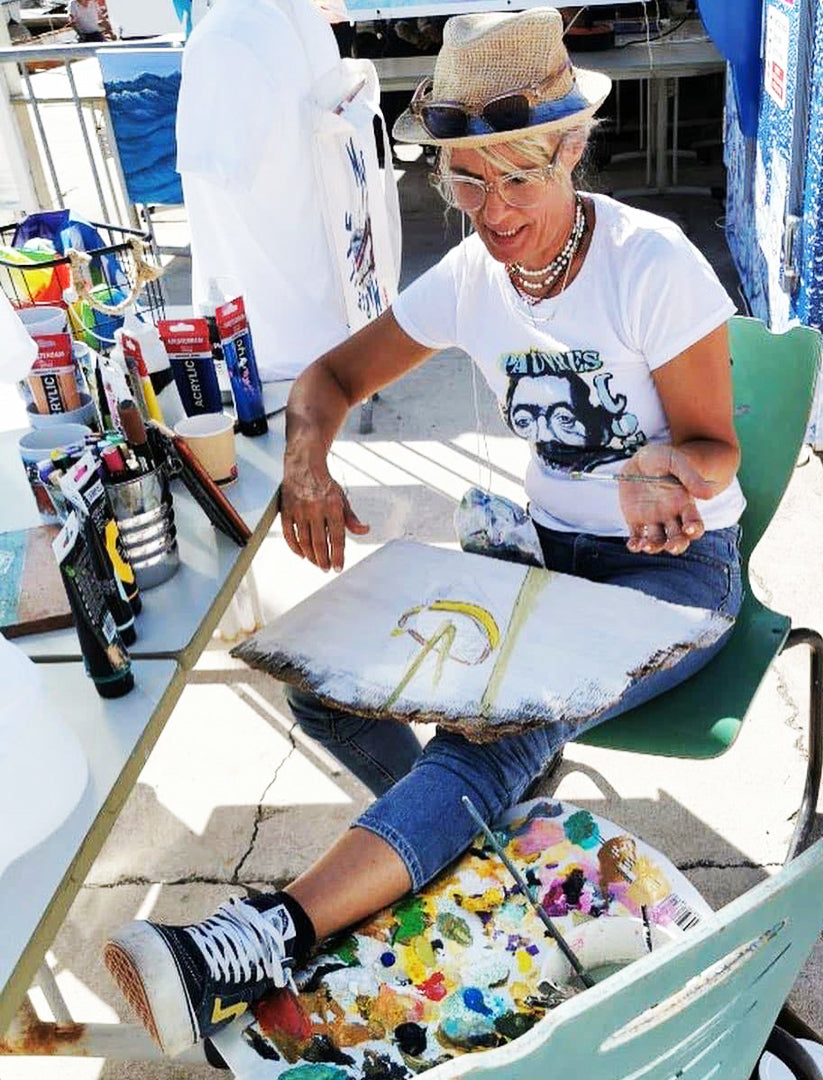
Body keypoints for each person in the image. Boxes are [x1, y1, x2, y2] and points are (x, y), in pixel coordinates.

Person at [103, 7, 745, 1058]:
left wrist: (668, 472)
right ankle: (454, 842)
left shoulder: (651, 264)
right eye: (464, 181)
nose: (492, 215)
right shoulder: (472, 278)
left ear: (572, 150)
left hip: (668, 581)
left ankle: (258, 935)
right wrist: (308, 467)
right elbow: (329, 379)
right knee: (321, 676)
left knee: (497, 733)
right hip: (544, 569)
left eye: (518, 179)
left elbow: (717, 449)